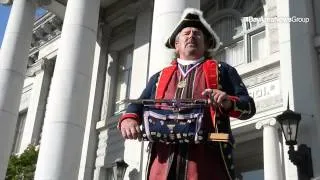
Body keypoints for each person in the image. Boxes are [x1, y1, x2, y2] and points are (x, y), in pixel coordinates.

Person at [118, 8, 256, 180]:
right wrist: (129, 119)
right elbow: (138, 104)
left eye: (197, 34)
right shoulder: (159, 77)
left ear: (206, 43)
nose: (191, 36)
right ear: (176, 45)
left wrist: (227, 101)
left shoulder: (223, 70)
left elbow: (248, 106)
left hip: (208, 157)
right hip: (163, 160)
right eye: (186, 33)